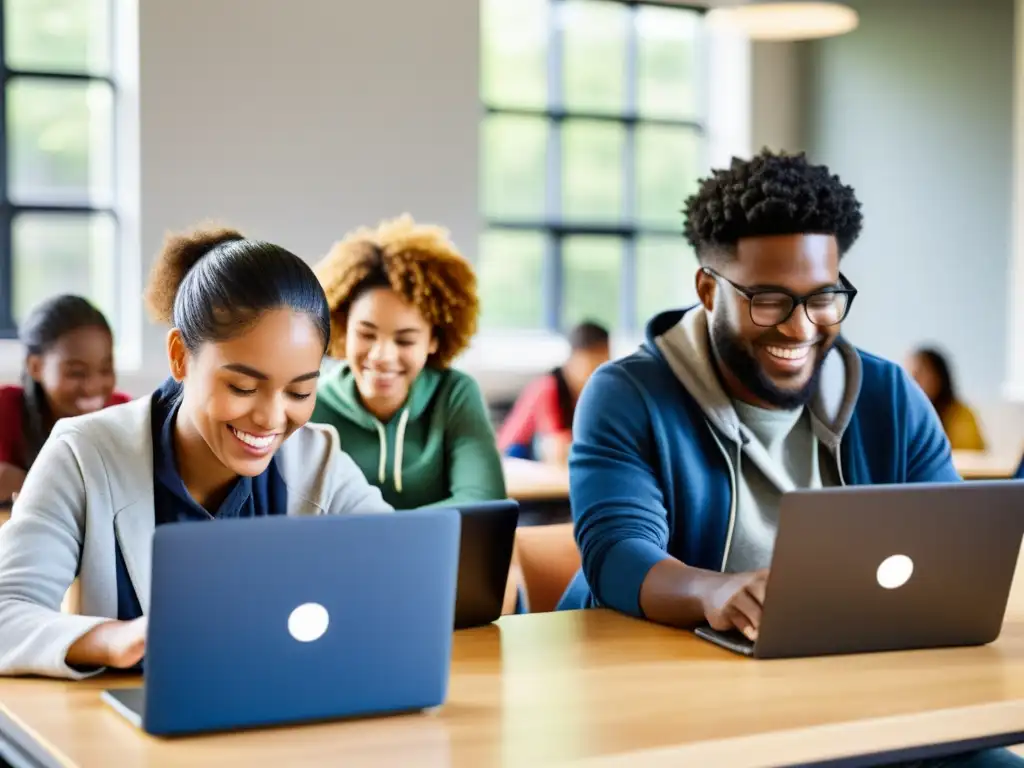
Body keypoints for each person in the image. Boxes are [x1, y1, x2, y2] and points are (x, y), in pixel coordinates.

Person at [557, 150, 1020, 767]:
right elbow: (615, 555)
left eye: (823, 297)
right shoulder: (627, 395)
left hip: (846, 691)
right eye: (768, 300)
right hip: (668, 704)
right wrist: (711, 591)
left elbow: (952, 554)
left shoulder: (889, 397)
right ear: (706, 288)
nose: (801, 328)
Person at [0, 226, 392, 679]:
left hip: (281, 721)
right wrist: (120, 638)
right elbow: (7, 612)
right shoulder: (83, 454)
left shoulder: (317, 459)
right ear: (180, 356)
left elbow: (405, 574)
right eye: (243, 386)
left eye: (299, 392)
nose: (270, 418)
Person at [310, 214, 506, 509]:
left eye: (404, 340)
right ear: (342, 328)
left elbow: (483, 502)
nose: (382, 356)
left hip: (433, 557)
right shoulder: (311, 403)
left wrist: (384, 532)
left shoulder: (454, 395)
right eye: (366, 334)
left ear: (433, 341)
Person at [0, 295, 132, 503]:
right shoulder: (6, 407)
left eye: (105, 369)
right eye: (77, 373)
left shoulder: (123, 413)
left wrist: (28, 484)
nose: (93, 386)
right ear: (35, 367)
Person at [497, 321, 611, 464]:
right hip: (514, 458)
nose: (599, 373)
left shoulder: (595, 394)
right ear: (573, 359)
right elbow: (556, 448)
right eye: (592, 363)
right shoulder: (548, 387)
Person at [906, 346, 986, 451]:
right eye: (909, 374)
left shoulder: (960, 415)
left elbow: (969, 457)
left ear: (939, 377)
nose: (913, 380)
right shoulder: (905, 414)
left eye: (920, 373)